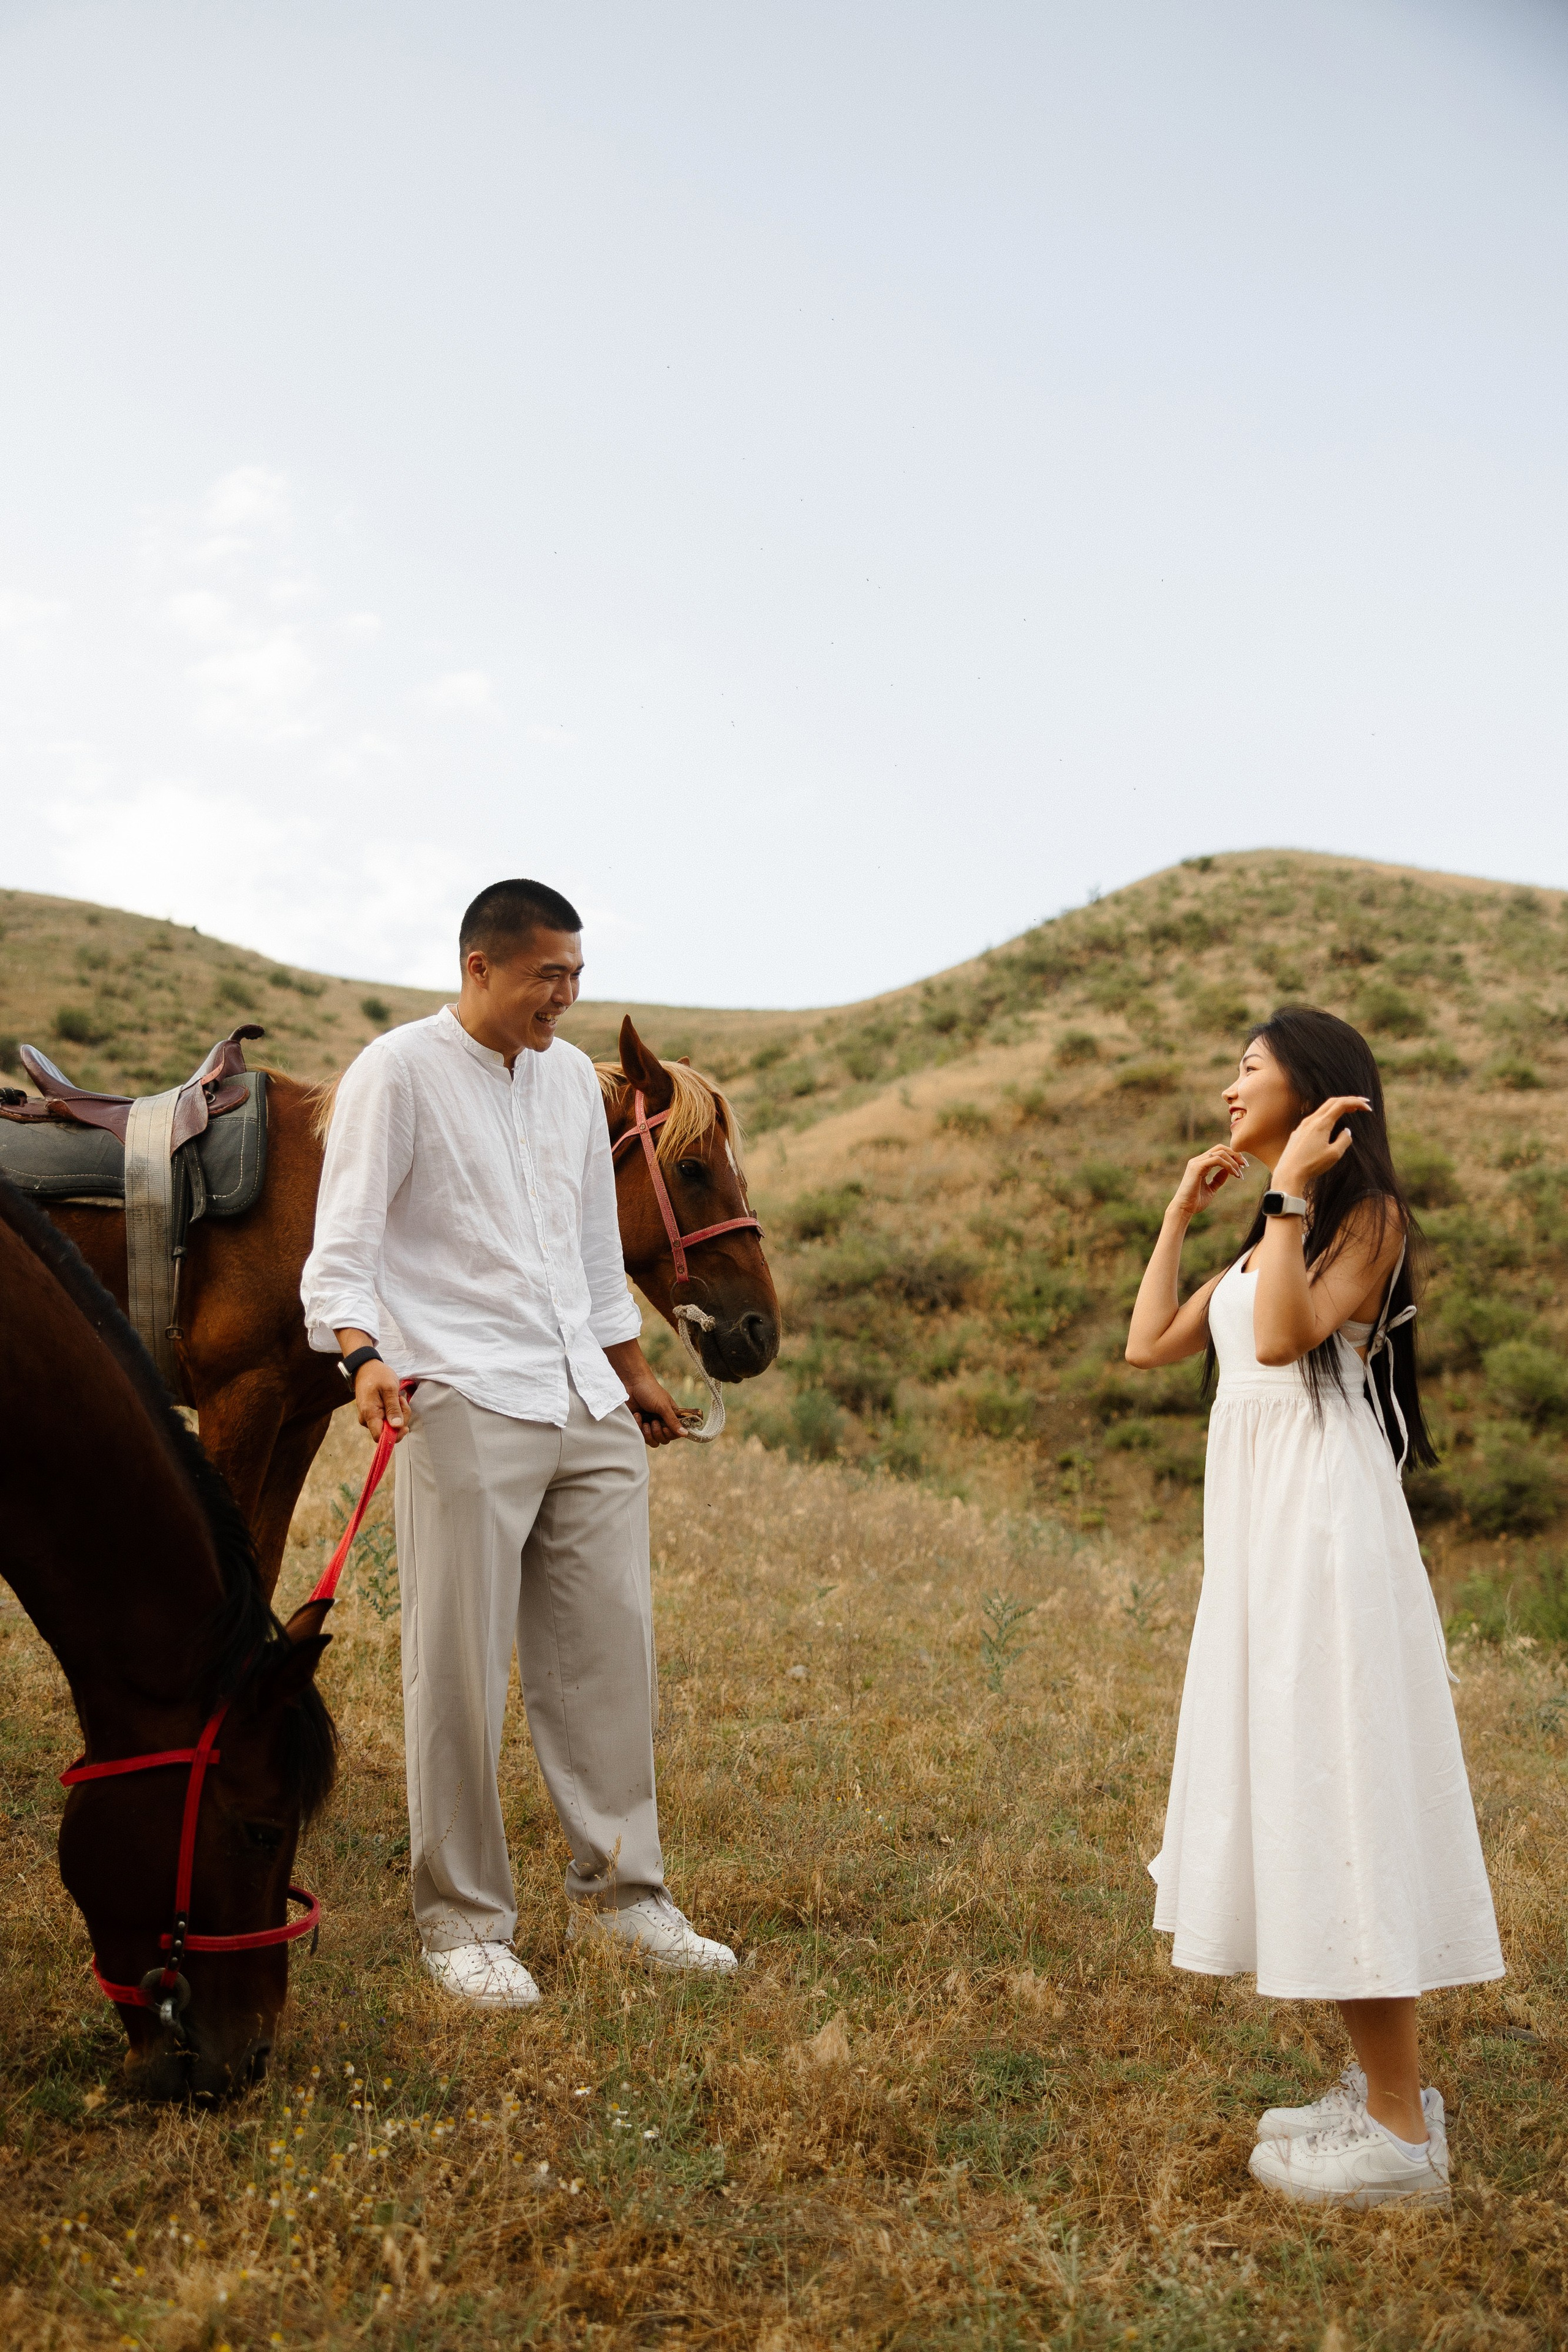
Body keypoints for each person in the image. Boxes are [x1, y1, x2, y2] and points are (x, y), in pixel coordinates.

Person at [300, 877, 737, 2008]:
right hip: (463, 1393)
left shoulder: (563, 1086)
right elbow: (341, 1245)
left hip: (582, 1402)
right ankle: (463, 1922)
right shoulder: (395, 1071)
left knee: (608, 1651)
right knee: (454, 1661)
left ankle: (629, 1893)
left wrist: (634, 1373)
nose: (567, 996)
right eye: (549, 974)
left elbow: (597, 1256)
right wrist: (362, 1357)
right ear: (480, 967)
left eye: (578, 977)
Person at [1125, 1005, 1501, 2208]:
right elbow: (1149, 1347)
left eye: (1247, 1068)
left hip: (1323, 1531)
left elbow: (1286, 1343)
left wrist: (1287, 1187)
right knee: (1301, 1778)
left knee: (1331, 1780)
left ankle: (1396, 2133)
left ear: (1313, 1085)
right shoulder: (1261, 1240)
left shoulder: (1361, 1219)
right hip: (1261, 1530)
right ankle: (1383, 2089)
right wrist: (1187, 1213)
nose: (1229, 1087)